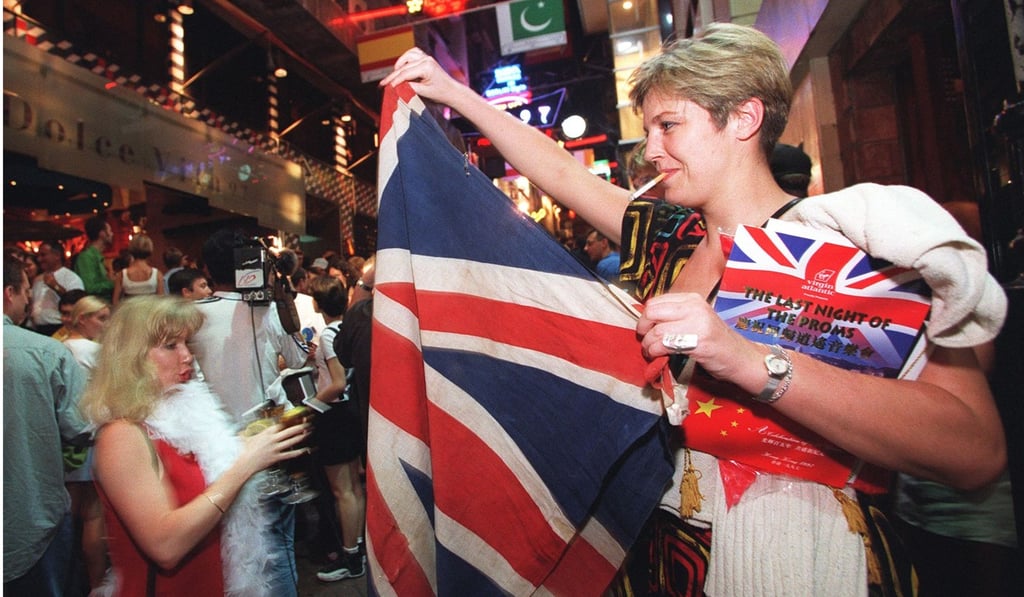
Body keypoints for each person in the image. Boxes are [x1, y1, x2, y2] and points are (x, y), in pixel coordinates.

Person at [382, 24, 1007, 595]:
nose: (651, 150)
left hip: (810, 560)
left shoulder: (850, 250)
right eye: (648, 129)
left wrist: (752, 362)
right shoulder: (670, 241)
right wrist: (451, 93)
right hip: (669, 555)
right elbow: (562, 176)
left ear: (743, 118)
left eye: (669, 126)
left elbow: (973, 451)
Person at [80, 296, 309, 596]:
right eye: (171, 346)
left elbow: (195, 479)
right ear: (131, 357)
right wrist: (245, 465)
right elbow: (166, 546)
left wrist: (240, 445)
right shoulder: (121, 435)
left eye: (187, 343)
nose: (187, 356)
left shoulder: (180, 415)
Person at [188, 228, 312, 596]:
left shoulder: (190, 317)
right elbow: (298, 358)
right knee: (278, 548)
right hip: (271, 440)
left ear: (207, 270)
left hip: (215, 448)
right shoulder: (269, 310)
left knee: (230, 552)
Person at [4, 255, 91, 596]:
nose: (29, 299)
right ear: (9, 292)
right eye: (26, 290)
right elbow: (82, 426)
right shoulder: (45, 352)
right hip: (31, 518)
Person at [306, 275, 366, 582]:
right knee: (354, 489)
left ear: (317, 303)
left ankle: (350, 558)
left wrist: (309, 406)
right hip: (351, 413)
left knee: (342, 491)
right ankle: (357, 551)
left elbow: (337, 383)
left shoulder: (329, 334)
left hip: (334, 415)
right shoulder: (348, 326)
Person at [61, 294, 112, 594]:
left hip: (65, 436)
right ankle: (96, 584)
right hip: (91, 433)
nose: (105, 325)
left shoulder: (59, 346)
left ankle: (68, 579)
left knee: (69, 510)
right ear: (83, 319)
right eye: (101, 318)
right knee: (94, 513)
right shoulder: (92, 350)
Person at [31, 240, 85, 336]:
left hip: (60, 328)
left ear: (57, 255)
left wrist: (55, 286)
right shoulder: (37, 279)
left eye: (43, 255)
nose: (39, 259)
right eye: (38, 256)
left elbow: (78, 304)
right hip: (38, 330)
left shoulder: (71, 278)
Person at [113, 234, 164, 305]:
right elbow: (161, 303)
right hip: (150, 314)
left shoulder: (122, 275)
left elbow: (115, 302)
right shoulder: (157, 274)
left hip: (129, 314)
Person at [74, 215, 115, 300]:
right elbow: (89, 287)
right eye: (110, 231)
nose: (112, 234)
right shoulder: (86, 257)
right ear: (102, 234)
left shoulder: (98, 256)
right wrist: (114, 282)